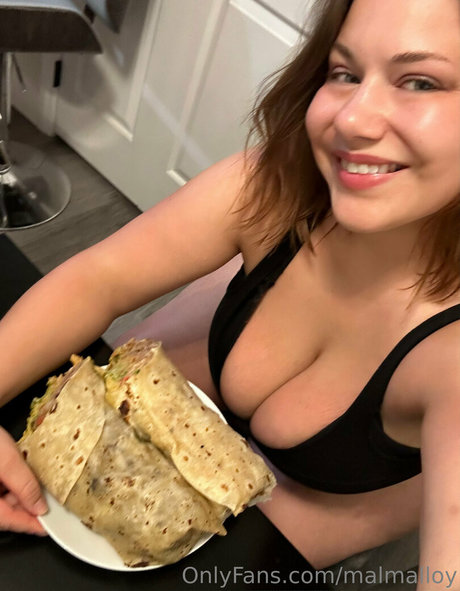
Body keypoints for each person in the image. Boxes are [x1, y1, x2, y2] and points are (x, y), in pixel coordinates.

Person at [1, 0, 460, 586]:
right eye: (344, 72)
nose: (352, 119)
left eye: (420, 82)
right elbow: (100, 278)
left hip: (314, 521)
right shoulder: (277, 186)